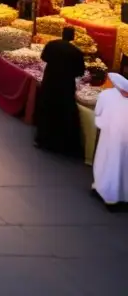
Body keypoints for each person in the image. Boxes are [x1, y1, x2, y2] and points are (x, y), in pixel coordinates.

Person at [35, 27, 86, 156]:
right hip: (66, 87)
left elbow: (44, 58)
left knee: (47, 109)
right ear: (73, 37)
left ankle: (42, 139)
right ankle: (62, 145)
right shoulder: (77, 52)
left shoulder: (51, 45)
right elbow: (80, 72)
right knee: (64, 112)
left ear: (62, 34)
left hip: (50, 82)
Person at [93, 73, 128, 206]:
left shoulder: (106, 95)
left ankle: (107, 192)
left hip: (110, 137)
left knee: (108, 163)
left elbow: (98, 112)